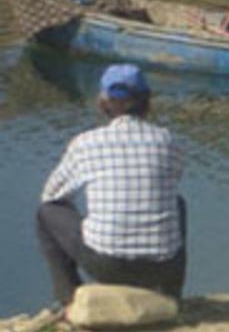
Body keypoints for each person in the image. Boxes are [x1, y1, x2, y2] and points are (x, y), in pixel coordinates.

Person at [37, 64, 186, 307]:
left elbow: (50, 196)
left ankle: (68, 298)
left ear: (103, 101)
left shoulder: (87, 143)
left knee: (46, 213)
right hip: (162, 265)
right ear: (147, 100)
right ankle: (171, 294)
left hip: (108, 265)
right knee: (177, 203)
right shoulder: (167, 140)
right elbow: (174, 178)